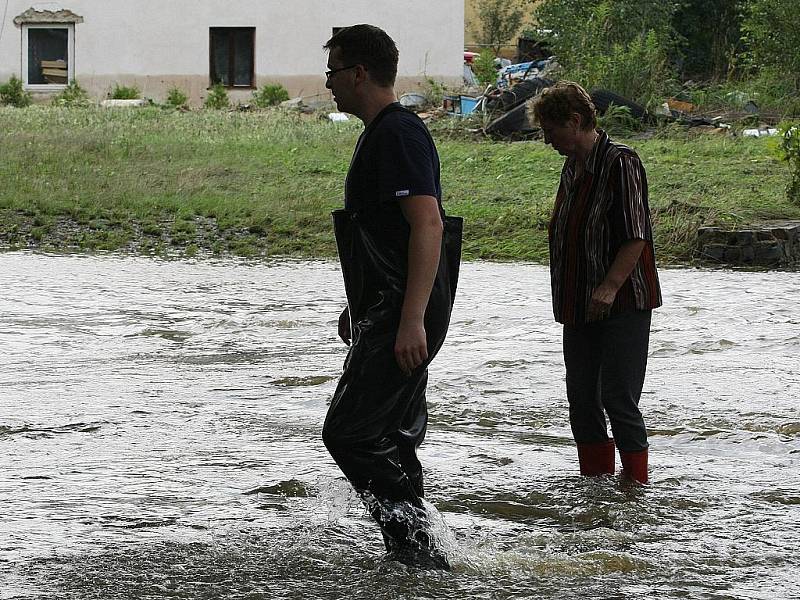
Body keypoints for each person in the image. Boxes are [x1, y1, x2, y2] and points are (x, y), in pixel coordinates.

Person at [320, 24, 462, 568]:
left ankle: (419, 546)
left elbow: (427, 224)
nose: (329, 84)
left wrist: (410, 321)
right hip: (388, 307)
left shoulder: (398, 133)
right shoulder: (381, 132)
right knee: (396, 434)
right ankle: (416, 559)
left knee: (349, 434)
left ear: (359, 73)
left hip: (407, 313)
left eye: (333, 72)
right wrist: (358, 305)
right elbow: (385, 236)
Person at [530, 82, 662, 484]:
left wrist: (609, 286)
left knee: (617, 398)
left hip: (623, 302)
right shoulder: (572, 167)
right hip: (578, 303)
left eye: (551, 130)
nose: (547, 139)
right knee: (581, 400)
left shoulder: (621, 162)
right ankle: (596, 488)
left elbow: (636, 234)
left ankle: (636, 488)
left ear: (575, 121)